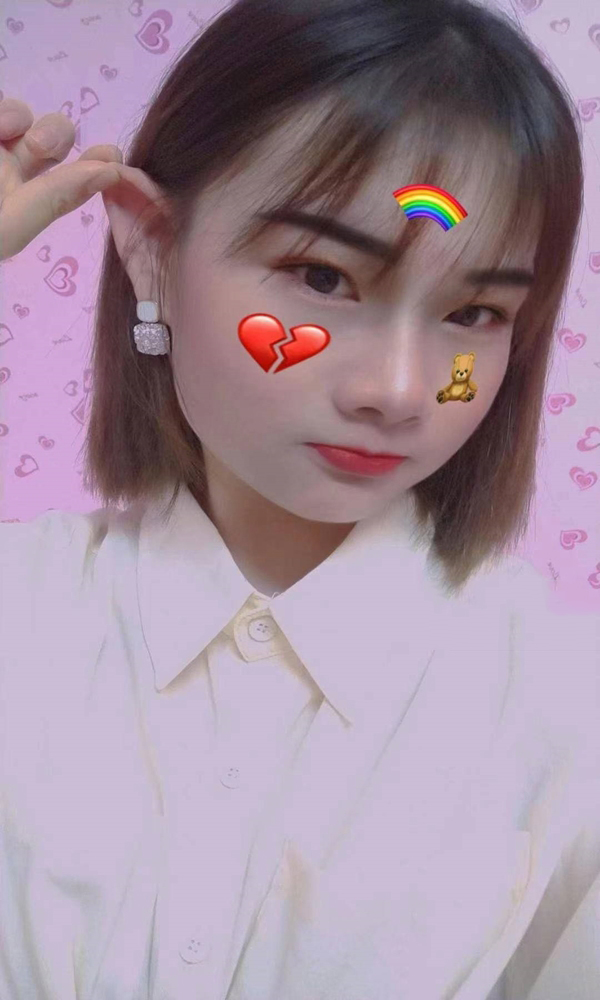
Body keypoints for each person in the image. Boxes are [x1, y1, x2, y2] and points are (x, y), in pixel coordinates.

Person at [0, 0, 599, 997]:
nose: (399, 390)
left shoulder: (565, 715)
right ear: (151, 247)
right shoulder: (20, 615)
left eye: (475, 312)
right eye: (322, 275)